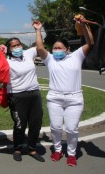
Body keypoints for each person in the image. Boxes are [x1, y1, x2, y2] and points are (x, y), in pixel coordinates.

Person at [33, 17, 93, 167]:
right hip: (55, 98)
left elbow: (90, 43)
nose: (57, 50)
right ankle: (58, 150)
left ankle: (71, 154)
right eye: (55, 48)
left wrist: (84, 25)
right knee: (56, 127)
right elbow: (40, 48)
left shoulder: (76, 56)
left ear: (67, 49)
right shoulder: (51, 59)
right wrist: (38, 30)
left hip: (74, 99)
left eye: (60, 48)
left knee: (72, 128)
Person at [5, 37, 45, 162]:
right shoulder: (5, 61)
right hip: (16, 96)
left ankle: (32, 148)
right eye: (14, 46)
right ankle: (17, 148)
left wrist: (38, 30)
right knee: (20, 124)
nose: (17, 47)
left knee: (36, 123)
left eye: (19, 44)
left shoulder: (28, 53)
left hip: (34, 94)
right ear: (9, 49)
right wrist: (0, 52)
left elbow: (39, 46)